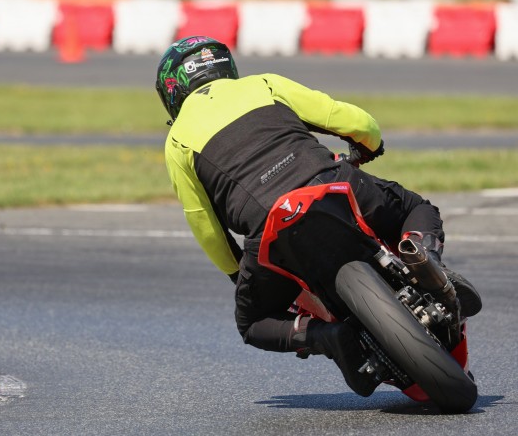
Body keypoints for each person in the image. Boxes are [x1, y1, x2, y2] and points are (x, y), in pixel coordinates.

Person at [157, 35, 482, 397]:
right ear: (224, 66)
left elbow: (204, 223)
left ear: (173, 90)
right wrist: (369, 145)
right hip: (332, 185)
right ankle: (426, 260)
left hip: (270, 230)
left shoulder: (177, 143)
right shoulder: (263, 84)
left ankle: (329, 338)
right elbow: (345, 117)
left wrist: (238, 273)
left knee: (253, 324)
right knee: (414, 207)